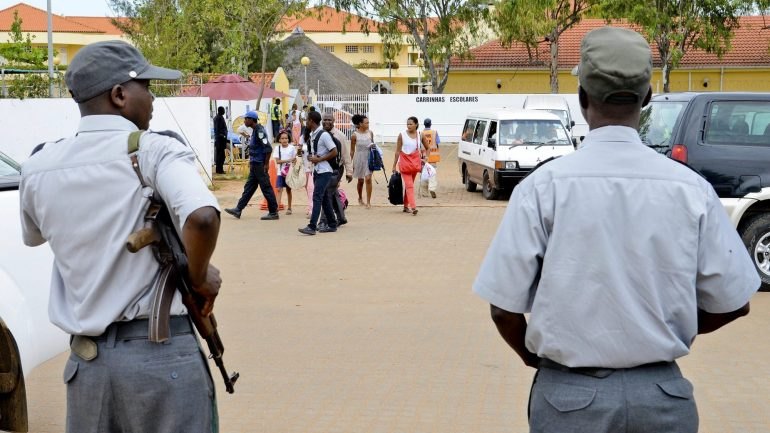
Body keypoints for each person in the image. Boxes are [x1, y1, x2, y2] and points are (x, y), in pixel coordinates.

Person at [472, 27, 759, 433]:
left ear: (582, 98)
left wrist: (534, 358)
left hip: (567, 399)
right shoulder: (691, 189)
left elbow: (503, 309)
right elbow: (734, 303)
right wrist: (667, 329)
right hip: (663, 398)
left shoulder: (543, 187)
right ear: (646, 99)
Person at [19, 40, 222, 432]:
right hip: (161, 361)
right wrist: (199, 278)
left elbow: (34, 236)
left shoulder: (38, 165)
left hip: (87, 368)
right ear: (119, 94)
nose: (152, 98)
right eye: (147, 86)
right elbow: (202, 218)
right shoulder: (153, 151)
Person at [225, 111, 280, 220]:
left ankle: (273, 212)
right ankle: (238, 209)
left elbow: (268, 148)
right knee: (249, 188)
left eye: (246, 119)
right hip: (254, 164)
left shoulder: (260, 131)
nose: (244, 121)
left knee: (266, 188)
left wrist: (266, 164)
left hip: (260, 165)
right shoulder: (255, 131)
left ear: (251, 120)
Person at [298, 111, 339, 235]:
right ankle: (332, 224)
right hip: (317, 170)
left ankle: (312, 226)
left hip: (325, 170)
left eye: (307, 120)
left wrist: (319, 159)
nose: (306, 123)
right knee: (325, 198)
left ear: (311, 121)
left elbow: (334, 151)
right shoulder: (313, 134)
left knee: (317, 197)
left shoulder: (323, 135)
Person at [318, 112, 352, 230]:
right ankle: (341, 217)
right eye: (325, 119)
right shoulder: (319, 133)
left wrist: (349, 171)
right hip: (322, 168)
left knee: (326, 193)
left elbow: (346, 155)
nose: (327, 122)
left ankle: (323, 221)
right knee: (332, 193)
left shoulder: (339, 136)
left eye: (329, 120)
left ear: (334, 121)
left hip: (336, 169)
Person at [393, 116, 429, 215]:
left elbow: (427, 147)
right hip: (404, 164)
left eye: (411, 124)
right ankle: (413, 207)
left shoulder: (420, 134)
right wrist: (394, 165)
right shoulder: (402, 135)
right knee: (409, 185)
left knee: (410, 186)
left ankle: (405, 206)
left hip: (414, 164)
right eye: (407, 124)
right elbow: (397, 151)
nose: (408, 126)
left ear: (416, 124)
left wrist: (426, 158)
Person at [351, 114, 375, 208]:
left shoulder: (370, 133)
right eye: (366, 122)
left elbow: (373, 144)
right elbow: (352, 150)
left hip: (369, 158)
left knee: (368, 179)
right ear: (360, 124)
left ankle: (368, 202)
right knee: (360, 181)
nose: (368, 124)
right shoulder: (354, 135)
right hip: (359, 158)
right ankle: (360, 198)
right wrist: (350, 164)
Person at [274, 130, 296, 215]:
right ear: (279, 140)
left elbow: (295, 159)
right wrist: (288, 160)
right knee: (279, 189)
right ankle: (276, 208)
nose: (284, 140)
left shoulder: (292, 148)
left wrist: (292, 161)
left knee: (288, 190)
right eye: (282, 138)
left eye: (286, 138)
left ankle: (289, 207)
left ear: (288, 139)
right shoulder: (277, 148)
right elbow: (277, 161)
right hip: (280, 172)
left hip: (289, 172)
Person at [420, 117, 440, 199]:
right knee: (432, 174)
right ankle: (432, 188)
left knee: (424, 174)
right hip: (433, 157)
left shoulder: (420, 133)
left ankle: (424, 193)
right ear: (430, 124)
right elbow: (438, 142)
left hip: (423, 158)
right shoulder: (434, 132)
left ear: (424, 124)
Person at [213, 106, 227, 174]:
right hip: (220, 140)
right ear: (220, 110)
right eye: (223, 110)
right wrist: (223, 135)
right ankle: (219, 170)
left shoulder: (218, 117)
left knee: (220, 155)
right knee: (221, 156)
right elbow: (218, 129)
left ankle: (219, 169)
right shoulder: (219, 118)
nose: (224, 111)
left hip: (220, 140)